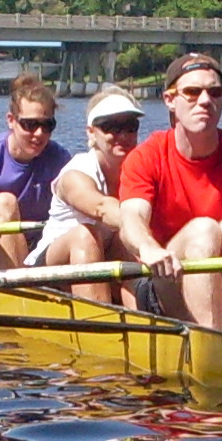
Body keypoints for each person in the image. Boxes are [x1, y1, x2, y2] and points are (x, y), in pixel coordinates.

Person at [117, 53, 222, 329]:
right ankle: (210, 345)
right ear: (170, 100)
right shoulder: (147, 156)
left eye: (215, 92)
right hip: (164, 282)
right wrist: (148, 247)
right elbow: (131, 220)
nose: (205, 101)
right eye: (192, 92)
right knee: (204, 230)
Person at [35, 86, 144, 303]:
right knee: (87, 235)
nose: (122, 135)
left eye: (130, 126)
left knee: (127, 240)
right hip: (51, 269)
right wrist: (144, 231)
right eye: (110, 127)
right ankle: (101, 323)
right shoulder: (76, 172)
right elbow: (101, 208)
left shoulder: (141, 170)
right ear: (91, 133)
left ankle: (139, 318)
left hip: (105, 257)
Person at [0, 73, 72, 270]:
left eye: (47, 125)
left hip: (39, 245)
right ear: (11, 120)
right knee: (4, 202)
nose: (39, 134)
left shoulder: (60, 159)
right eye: (30, 124)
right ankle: (21, 290)